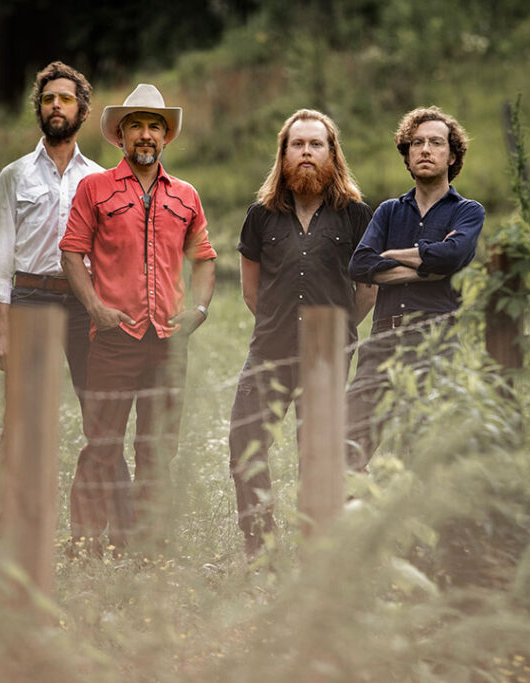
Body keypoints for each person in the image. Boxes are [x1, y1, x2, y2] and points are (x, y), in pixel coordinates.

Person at [59, 83, 217, 557]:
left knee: (157, 448)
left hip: (168, 342)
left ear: (165, 137)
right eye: (136, 126)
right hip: (113, 338)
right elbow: (71, 252)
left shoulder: (186, 196)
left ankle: (149, 545)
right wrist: (96, 309)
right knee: (101, 444)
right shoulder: (95, 188)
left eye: (154, 126)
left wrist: (199, 310)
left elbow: (205, 258)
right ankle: (86, 544)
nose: (145, 135)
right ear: (120, 137)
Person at [228, 109, 375, 558]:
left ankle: (319, 547)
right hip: (269, 349)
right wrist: (277, 323)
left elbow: (367, 289)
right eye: (298, 145)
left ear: (332, 153)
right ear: (284, 153)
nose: (307, 153)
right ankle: (261, 548)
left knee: (318, 453)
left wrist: (341, 327)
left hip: (328, 354)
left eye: (316, 145)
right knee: (244, 442)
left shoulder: (355, 215)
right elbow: (251, 290)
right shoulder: (261, 216)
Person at [0, 61, 103, 536]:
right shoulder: (13, 177)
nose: (57, 106)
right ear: (40, 109)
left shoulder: (98, 178)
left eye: (66, 99)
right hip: (30, 297)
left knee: (100, 411)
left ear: (82, 111)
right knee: (22, 420)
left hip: (81, 302)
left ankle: (100, 530)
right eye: (49, 99)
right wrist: (4, 333)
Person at [346, 106, 485, 469]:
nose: (425, 149)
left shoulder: (467, 211)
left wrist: (389, 258)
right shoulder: (389, 212)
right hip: (382, 343)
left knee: (427, 452)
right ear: (407, 155)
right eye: (417, 143)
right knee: (348, 445)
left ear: (452, 155)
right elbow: (359, 265)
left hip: (435, 341)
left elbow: (452, 256)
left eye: (436, 143)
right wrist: (426, 267)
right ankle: (347, 523)